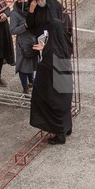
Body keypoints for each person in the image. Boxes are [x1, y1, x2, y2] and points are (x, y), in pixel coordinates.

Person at [29, 16, 74, 144]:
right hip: (65, 83)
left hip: (54, 87)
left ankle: (60, 136)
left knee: (54, 108)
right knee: (64, 107)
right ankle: (67, 128)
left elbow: (48, 65)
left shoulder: (53, 48)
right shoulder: (63, 42)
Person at [10, 6, 38, 95]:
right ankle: (25, 88)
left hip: (33, 40)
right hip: (22, 44)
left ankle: (31, 83)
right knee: (23, 66)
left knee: (31, 64)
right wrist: (25, 26)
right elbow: (13, 30)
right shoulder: (15, 13)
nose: (23, 0)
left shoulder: (33, 10)